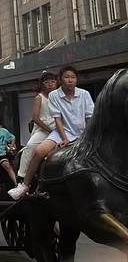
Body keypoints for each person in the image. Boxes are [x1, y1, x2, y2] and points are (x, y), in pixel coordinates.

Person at [9, 65, 94, 200]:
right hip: (61, 131)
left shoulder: (84, 94)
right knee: (38, 151)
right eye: (67, 77)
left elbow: (90, 117)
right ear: (61, 79)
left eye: (73, 77)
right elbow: (57, 118)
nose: (70, 80)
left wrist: (89, 135)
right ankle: (24, 185)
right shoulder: (54, 95)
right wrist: (64, 138)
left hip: (82, 131)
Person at [17, 71, 58, 180]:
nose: (50, 84)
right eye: (47, 82)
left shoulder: (60, 97)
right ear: (42, 85)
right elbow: (36, 118)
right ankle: (22, 175)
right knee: (30, 146)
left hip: (59, 129)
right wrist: (50, 130)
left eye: (53, 81)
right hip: (43, 130)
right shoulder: (39, 98)